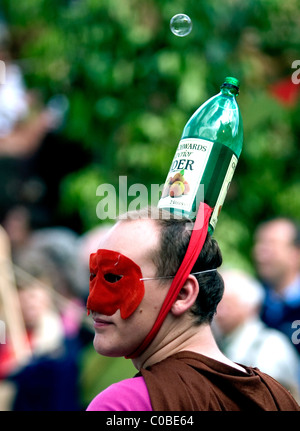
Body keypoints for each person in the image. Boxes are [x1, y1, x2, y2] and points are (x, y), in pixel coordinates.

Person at [86, 205, 300, 411]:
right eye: (93, 276)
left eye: (114, 278)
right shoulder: (278, 397)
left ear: (183, 293)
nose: (93, 302)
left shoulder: (122, 405)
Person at [213, 268, 300, 401]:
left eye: (227, 304)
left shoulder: (270, 347)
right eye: (216, 303)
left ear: (250, 306)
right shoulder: (225, 341)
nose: (219, 312)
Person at [253, 217, 300, 353]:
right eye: (259, 244)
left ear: (296, 253)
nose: (260, 253)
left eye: (270, 245)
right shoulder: (252, 303)